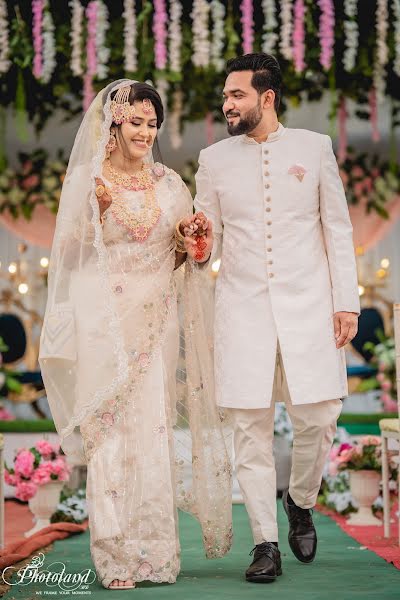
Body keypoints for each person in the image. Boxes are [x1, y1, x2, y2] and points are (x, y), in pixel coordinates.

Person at [39, 79, 232, 590]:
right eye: (136, 122)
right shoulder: (88, 179)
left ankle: (155, 555)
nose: (146, 132)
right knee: (108, 436)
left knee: (152, 430)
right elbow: (70, 253)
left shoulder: (170, 184)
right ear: (114, 123)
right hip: (103, 322)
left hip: (155, 324)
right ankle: (115, 557)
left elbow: (178, 257)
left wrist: (194, 245)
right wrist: (96, 211)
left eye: (152, 124)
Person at [193, 54, 360, 583]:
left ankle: (301, 501)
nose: (227, 104)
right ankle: (265, 542)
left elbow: (337, 228)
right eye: (225, 96)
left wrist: (346, 302)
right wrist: (196, 242)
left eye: (237, 95)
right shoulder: (213, 159)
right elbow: (206, 236)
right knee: (250, 430)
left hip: (311, 308)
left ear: (267, 97)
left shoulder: (313, 148)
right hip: (241, 312)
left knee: (320, 416)